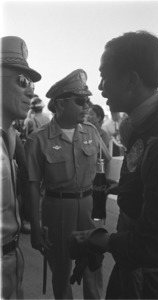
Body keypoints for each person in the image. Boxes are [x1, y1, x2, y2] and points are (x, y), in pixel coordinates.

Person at [69, 31, 158, 299]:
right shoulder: (145, 130)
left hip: (150, 286)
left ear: (131, 80)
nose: (101, 87)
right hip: (133, 274)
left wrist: (98, 240)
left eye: (105, 76)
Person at [24, 69, 103, 299]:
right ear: (59, 105)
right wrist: (36, 227)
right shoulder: (37, 139)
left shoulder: (91, 132)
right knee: (60, 269)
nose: (87, 105)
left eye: (88, 100)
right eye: (80, 101)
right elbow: (32, 185)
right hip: (57, 210)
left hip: (87, 207)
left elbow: (101, 168)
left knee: (93, 265)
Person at [0, 36, 41, 299]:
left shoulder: (9, 138)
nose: (31, 91)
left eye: (32, 83)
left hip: (13, 257)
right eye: (22, 81)